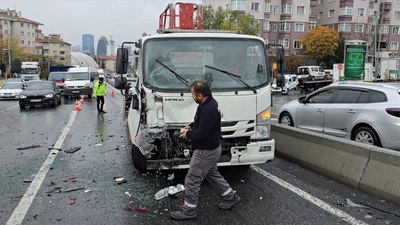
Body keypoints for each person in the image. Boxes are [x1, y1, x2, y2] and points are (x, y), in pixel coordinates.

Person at [170, 80, 240, 220]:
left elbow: (202, 133)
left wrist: (187, 134)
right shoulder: (208, 104)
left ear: (200, 95)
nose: (192, 97)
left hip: (205, 150)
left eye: (192, 94)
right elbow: (201, 123)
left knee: (192, 179)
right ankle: (230, 196)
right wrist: (190, 126)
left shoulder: (208, 108)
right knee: (212, 174)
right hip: (213, 148)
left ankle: (189, 211)